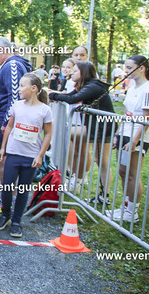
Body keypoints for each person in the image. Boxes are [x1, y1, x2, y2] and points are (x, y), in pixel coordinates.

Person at [0, 73, 52, 237]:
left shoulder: (45, 110)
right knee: (7, 185)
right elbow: (9, 127)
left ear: (34, 88)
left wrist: (40, 155)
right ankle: (5, 214)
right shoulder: (17, 105)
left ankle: (16, 221)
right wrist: (3, 148)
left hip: (31, 156)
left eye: (22, 86)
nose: (18, 89)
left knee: (23, 189)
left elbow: (48, 133)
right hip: (13, 152)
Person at [49, 61, 115, 197]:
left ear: (83, 73)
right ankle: (74, 175)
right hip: (94, 126)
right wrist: (54, 94)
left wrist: (52, 96)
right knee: (68, 134)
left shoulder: (93, 86)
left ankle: (104, 195)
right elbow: (69, 95)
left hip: (103, 128)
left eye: (75, 71)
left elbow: (73, 99)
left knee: (102, 161)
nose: (71, 73)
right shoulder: (85, 85)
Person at [105, 56, 149, 223]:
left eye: (129, 67)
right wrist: (117, 134)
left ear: (141, 68)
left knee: (133, 174)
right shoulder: (132, 87)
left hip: (137, 136)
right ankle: (126, 207)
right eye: (125, 67)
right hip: (125, 133)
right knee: (123, 171)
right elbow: (126, 113)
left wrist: (135, 141)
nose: (125, 71)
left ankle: (132, 211)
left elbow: (147, 118)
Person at [0, 37, 32, 211]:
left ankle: (6, 202)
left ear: (3, 49)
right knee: (4, 159)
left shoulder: (12, 65)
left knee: (5, 161)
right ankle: (6, 199)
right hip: (6, 119)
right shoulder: (10, 65)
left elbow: (15, 96)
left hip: (7, 121)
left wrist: (6, 122)